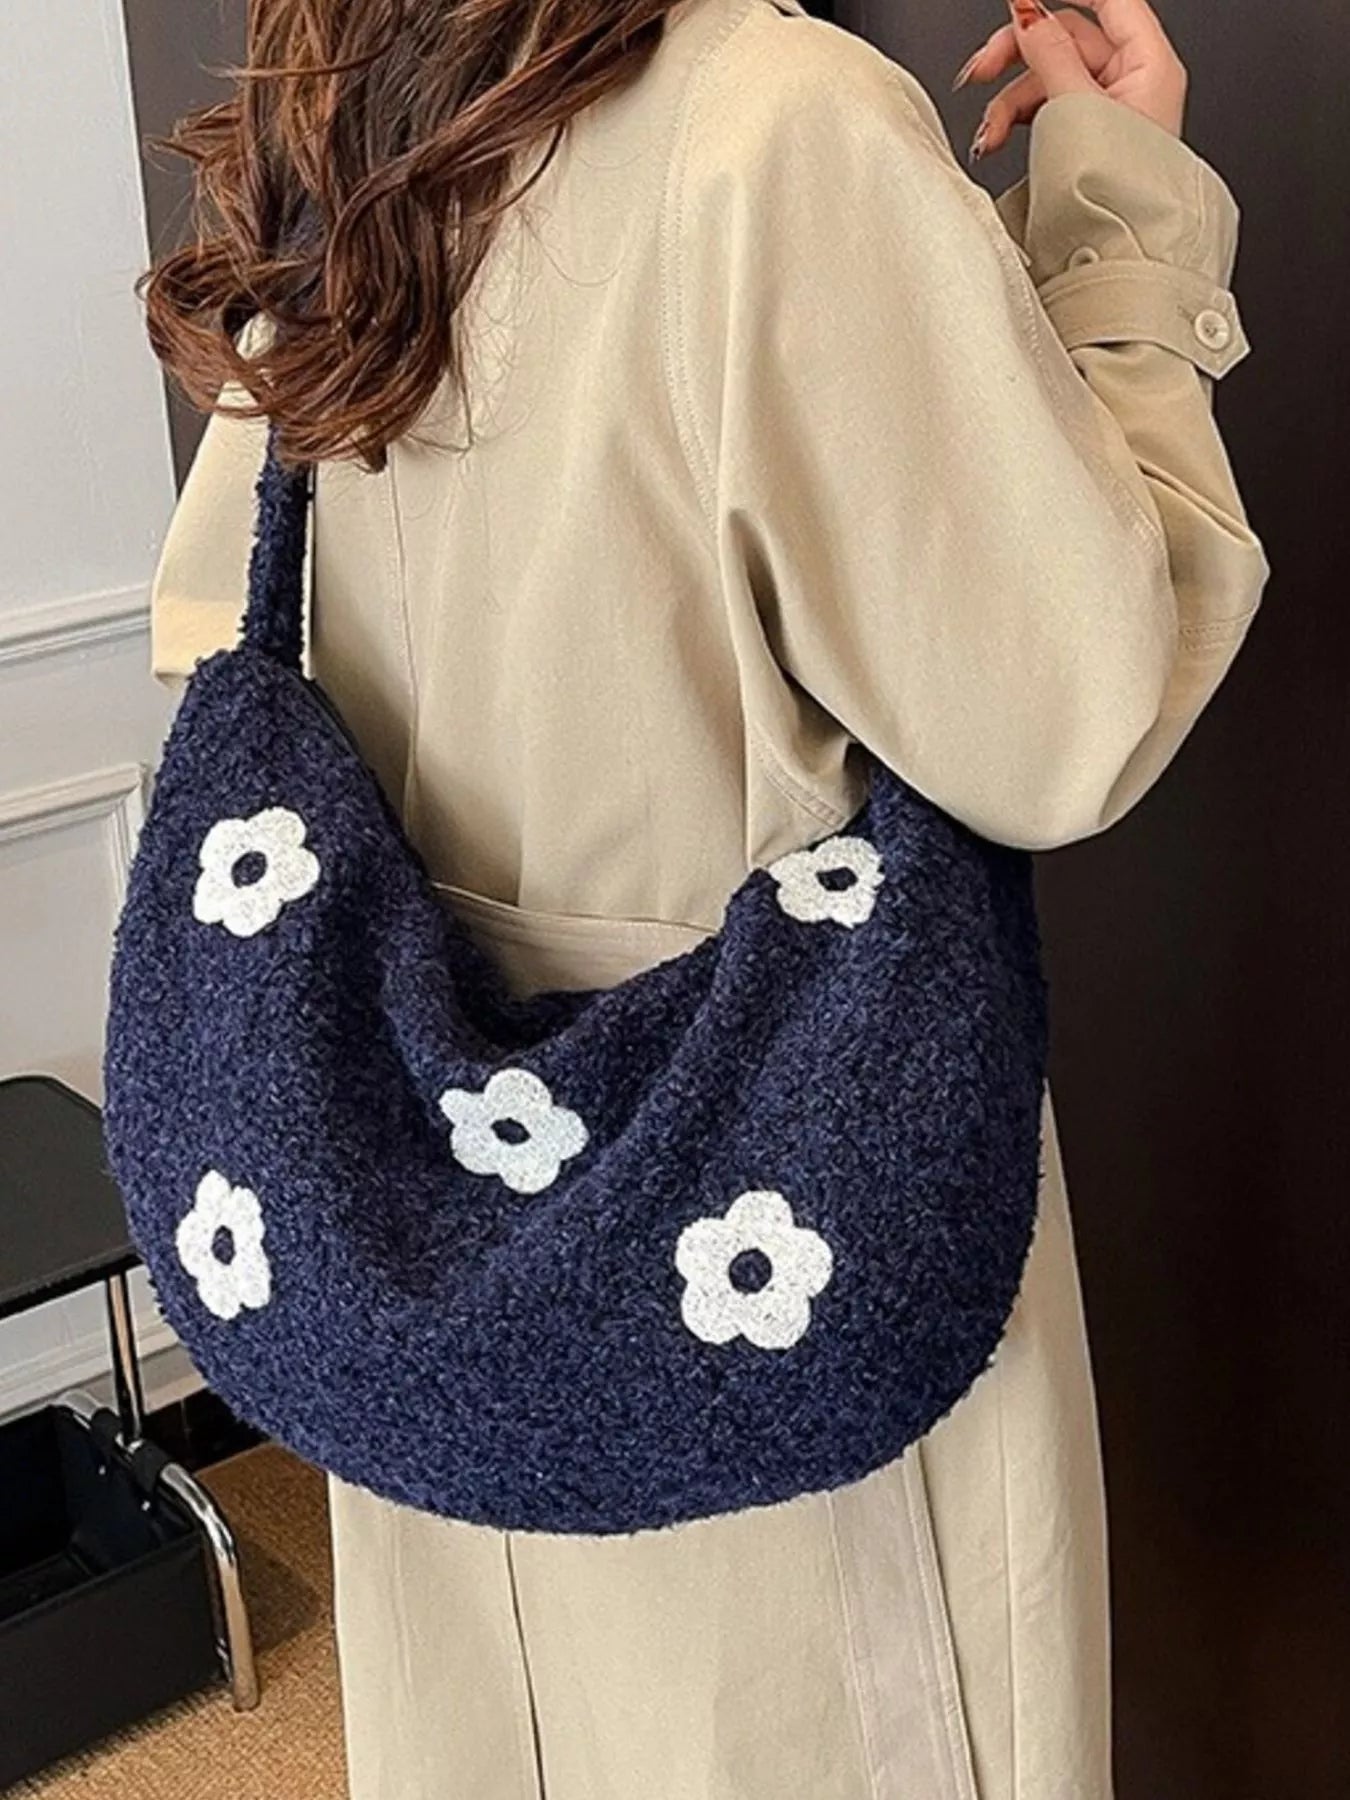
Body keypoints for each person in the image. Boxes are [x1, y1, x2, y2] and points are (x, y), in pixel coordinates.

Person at [143, 0, 1268, 1794]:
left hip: (414, 1198)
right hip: (765, 1162)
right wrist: (1122, 230)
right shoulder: (777, 123)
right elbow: (1066, 712)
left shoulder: (347, 91)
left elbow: (215, 614)